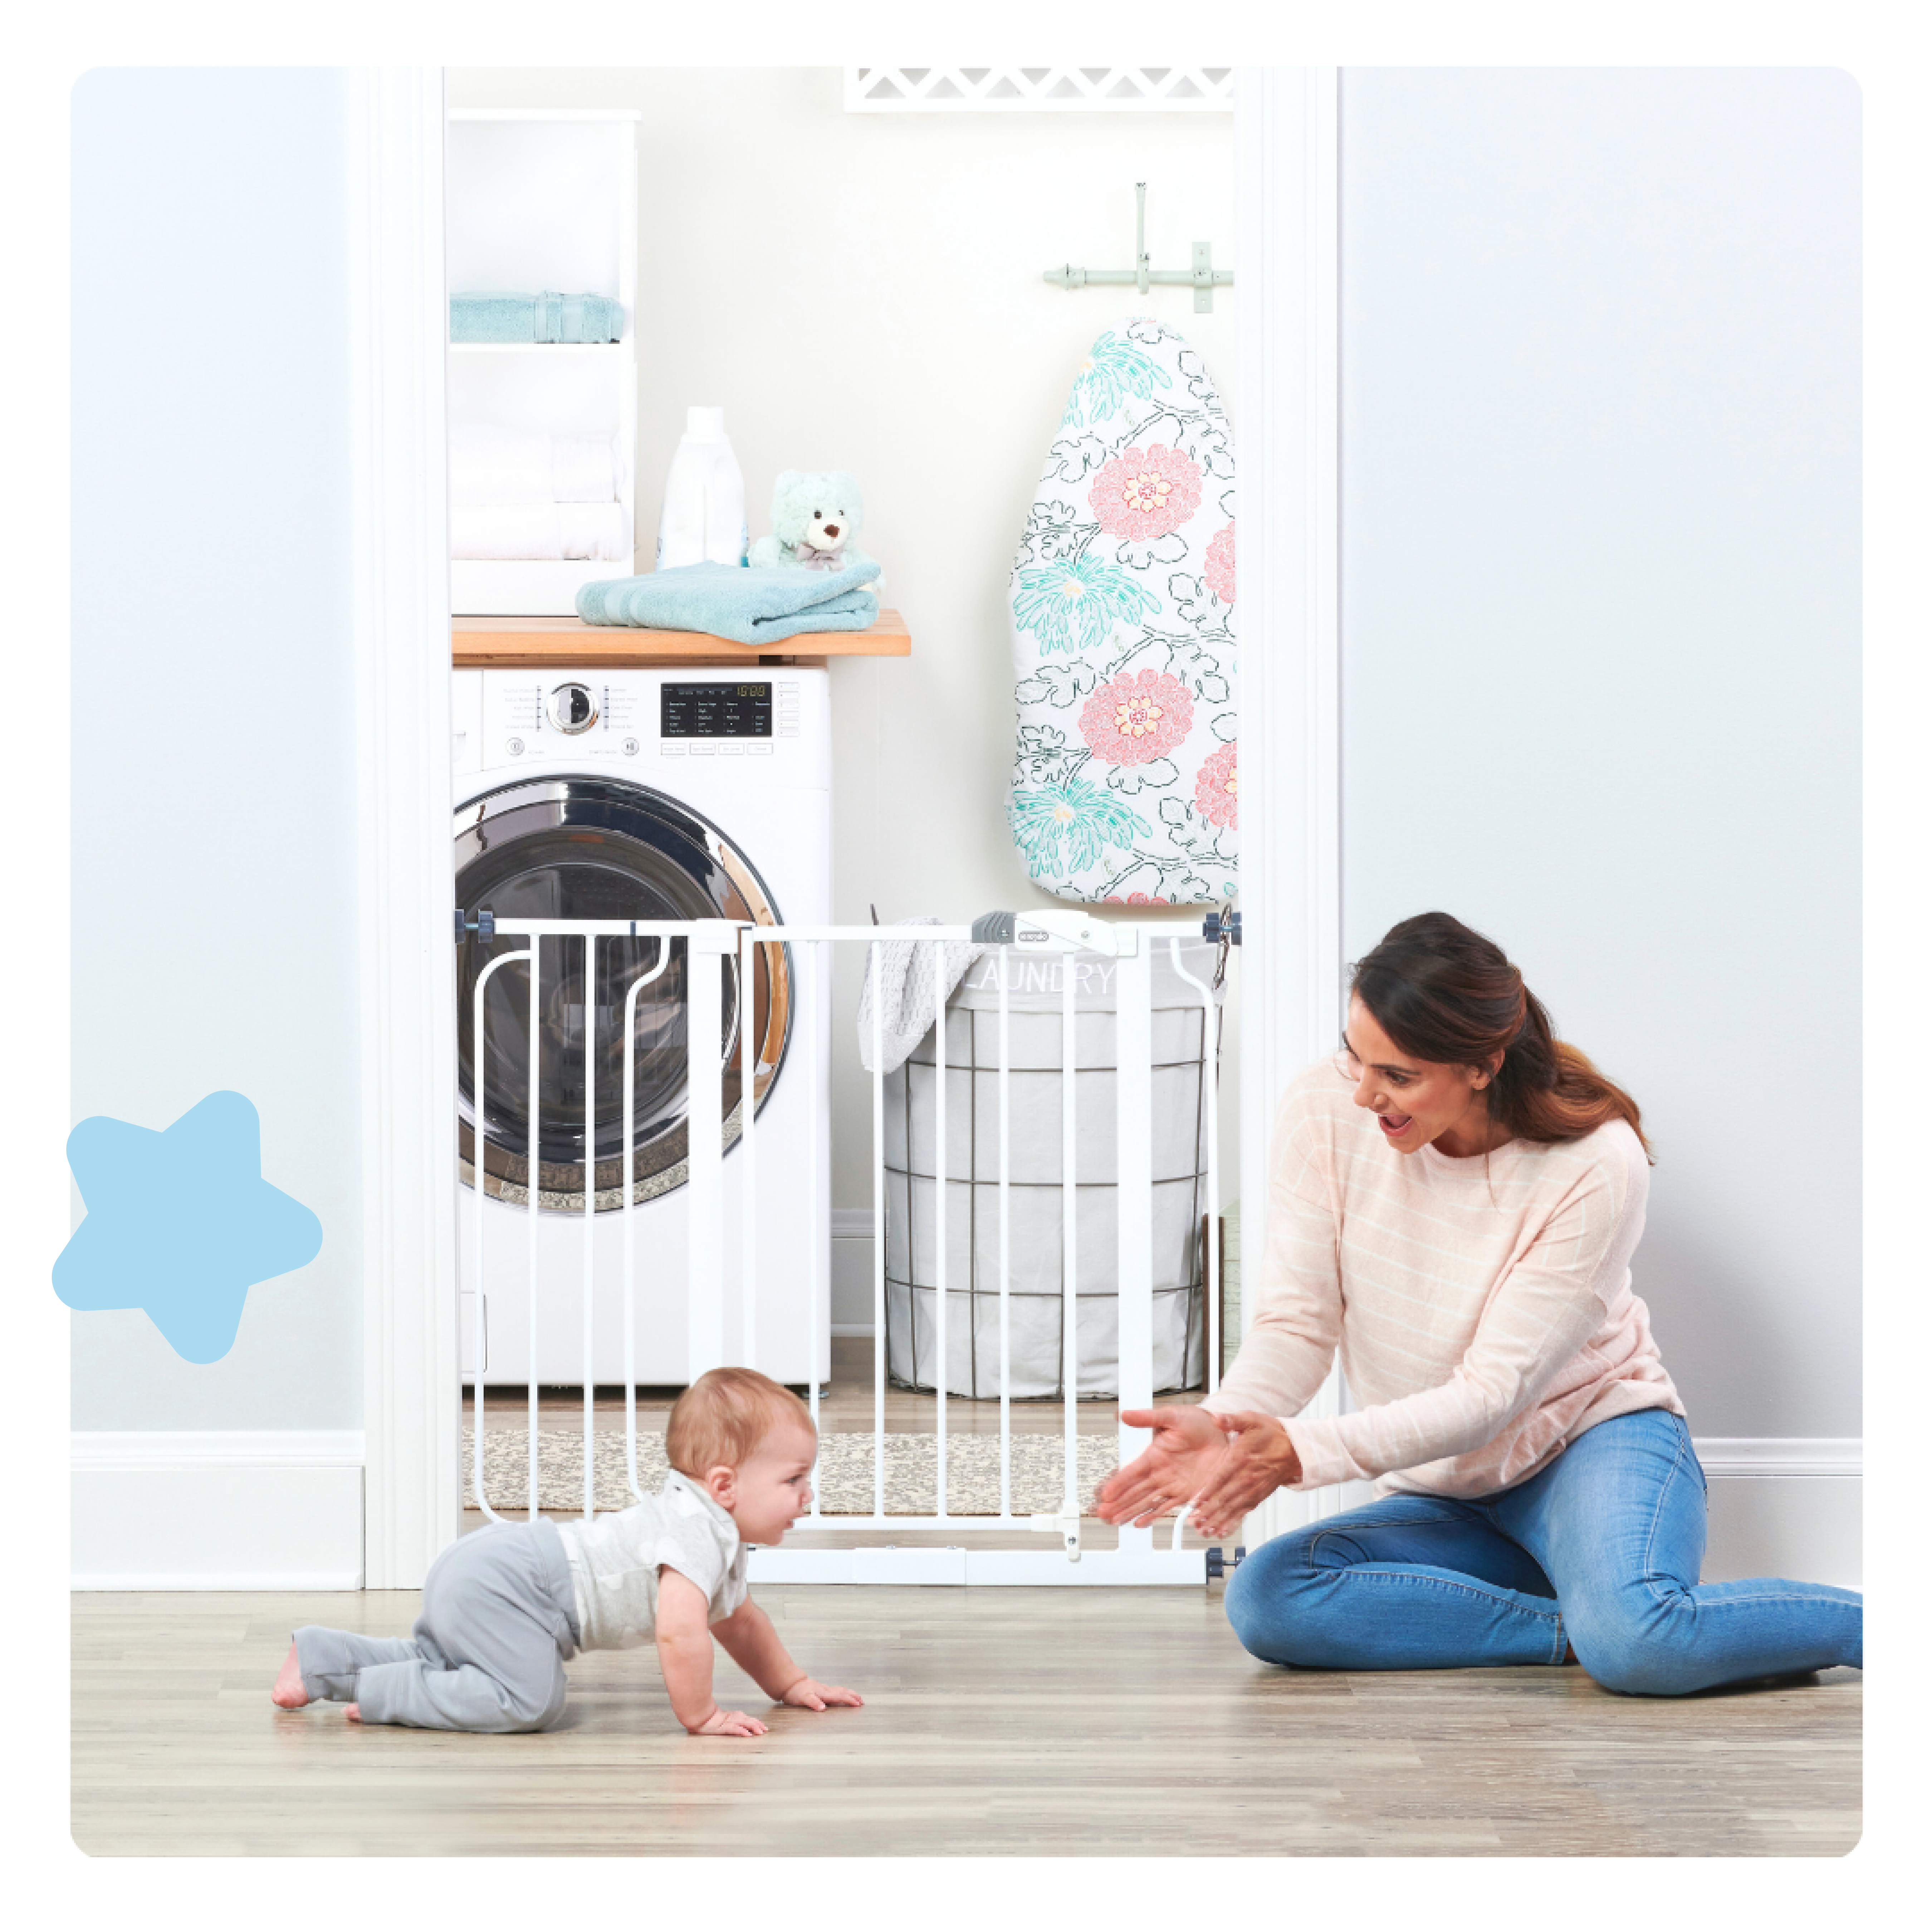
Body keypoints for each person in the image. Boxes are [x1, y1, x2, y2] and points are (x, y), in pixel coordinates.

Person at [1097, 911, 1862, 1696]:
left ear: (1482, 1066)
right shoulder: (1323, 1110)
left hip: (1590, 1446)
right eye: (1356, 1059)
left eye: (1396, 1076)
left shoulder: (1596, 1164)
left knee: (1644, 1645)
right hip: (1449, 1491)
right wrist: (1229, 1424)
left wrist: (1302, 1450)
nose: (1363, 1095)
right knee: (1269, 1598)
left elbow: (1493, 1396)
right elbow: (1297, 1322)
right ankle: (1579, 1631)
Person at [272, 1366, 863, 1735]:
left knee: (453, 1662)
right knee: (530, 1701)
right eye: (793, 1480)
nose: (807, 1495)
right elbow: (681, 1631)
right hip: (515, 1584)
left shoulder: (710, 1528)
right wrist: (702, 1715)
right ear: (726, 1485)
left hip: (497, 1570)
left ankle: (322, 1658)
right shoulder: (694, 1532)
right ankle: (381, 1693)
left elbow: (741, 1623)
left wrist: (791, 1685)